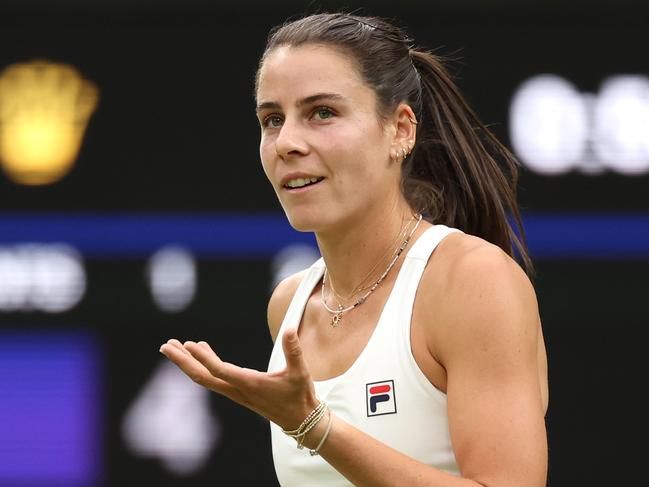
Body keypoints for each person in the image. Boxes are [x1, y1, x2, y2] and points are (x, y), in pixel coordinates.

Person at [159, 12, 548, 487]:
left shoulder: (472, 280)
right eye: (272, 119)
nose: (287, 143)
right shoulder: (288, 305)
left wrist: (313, 425)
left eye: (322, 112)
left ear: (401, 130)